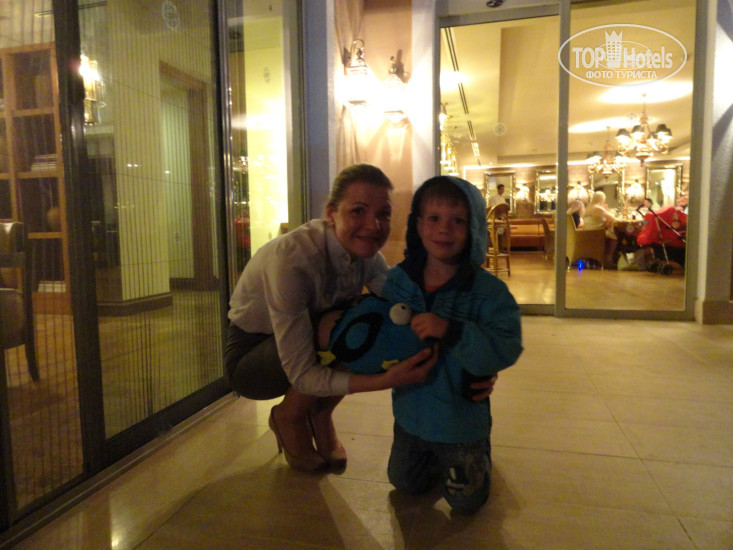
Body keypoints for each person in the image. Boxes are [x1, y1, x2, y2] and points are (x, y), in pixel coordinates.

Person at [224, 164, 439, 473]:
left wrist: (470, 346)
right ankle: (288, 416)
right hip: (251, 361)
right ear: (331, 213)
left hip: (302, 345)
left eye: (383, 214)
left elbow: (407, 301)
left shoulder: (368, 257)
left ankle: (320, 412)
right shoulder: (293, 259)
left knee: (378, 317)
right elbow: (302, 375)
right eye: (358, 211)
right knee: (344, 325)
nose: (373, 225)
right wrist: (383, 381)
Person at [380, 175, 523, 513]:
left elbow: (506, 345)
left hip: (460, 420)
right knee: (404, 482)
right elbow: (382, 331)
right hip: (410, 413)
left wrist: (452, 331)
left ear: (473, 228)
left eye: (457, 220)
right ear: (418, 224)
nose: (444, 228)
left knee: (466, 501)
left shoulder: (488, 292)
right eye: (434, 218)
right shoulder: (398, 280)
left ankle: (478, 453)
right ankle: (431, 458)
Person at [583, 190, 618, 269]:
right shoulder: (598, 208)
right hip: (596, 233)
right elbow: (613, 218)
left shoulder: (588, 208)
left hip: (585, 233)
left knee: (610, 233)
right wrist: (607, 210)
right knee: (614, 238)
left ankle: (603, 259)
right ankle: (608, 260)